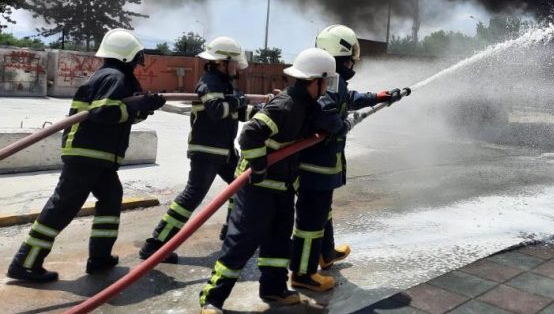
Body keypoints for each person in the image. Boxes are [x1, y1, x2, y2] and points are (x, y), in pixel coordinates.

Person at [6, 29, 166, 282]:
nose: (137, 64)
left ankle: (99, 258)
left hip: (98, 154)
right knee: (63, 206)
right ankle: (25, 262)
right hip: (88, 153)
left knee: (111, 198)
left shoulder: (108, 76)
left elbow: (118, 114)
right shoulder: (115, 77)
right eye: (136, 58)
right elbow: (105, 112)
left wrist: (144, 109)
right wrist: (140, 105)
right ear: (127, 57)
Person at [199, 47, 345, 313]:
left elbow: (328, 124)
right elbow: (250, 135)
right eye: (326, 82)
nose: (327, 87)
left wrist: (335, 123)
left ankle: (274, 289)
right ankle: (212, 298)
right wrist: (259, 166)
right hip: (258, 186)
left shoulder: (307, 105)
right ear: (316, 80)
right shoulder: (286, 105)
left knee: (278, 240)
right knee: (241, 242)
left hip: (283, 185)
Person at [289, 25, 404, 291]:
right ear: (339, 56)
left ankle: (325, 254)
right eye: (351, 57)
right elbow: (327, 114)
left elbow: (349, 98)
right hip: (313, 168)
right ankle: (303, 274)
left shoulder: (334, 81)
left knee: (322, 213)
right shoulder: (324, 84)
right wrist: (343, 124)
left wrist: (377, 96)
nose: (354, 63)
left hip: (326, 166)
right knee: (309, 222)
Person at [139, 36, 263, 263]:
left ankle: (231, 231)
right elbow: (217, 109)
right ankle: (156, 244)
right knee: (192, 196)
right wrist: (240, 100)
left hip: (224, 151)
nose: (236, 68)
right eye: (233, 63)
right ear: (221, 63)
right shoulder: (209, 82)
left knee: (242, 187)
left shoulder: (225, 84)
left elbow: (236, 113)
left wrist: (261, 111)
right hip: (206, 151)